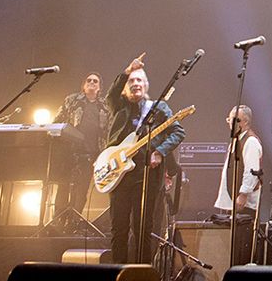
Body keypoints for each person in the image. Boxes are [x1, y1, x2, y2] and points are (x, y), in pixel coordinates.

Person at [105, 53, 186, 263]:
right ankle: (117, 275)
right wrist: (127, 71)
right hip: (119, 176)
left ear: (146, 85)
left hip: (146, 177)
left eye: (139, 80)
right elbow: (111, 94)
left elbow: (178, 132)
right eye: (131, 81)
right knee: (119, 229)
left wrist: (159, 151)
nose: (135, 83)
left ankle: (141, 274)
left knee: (143, 229)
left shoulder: (159, 109)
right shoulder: (120, 106)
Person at [54, 72, 110, 217]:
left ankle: (74, 221)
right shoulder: (71, 100)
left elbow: (108, 130)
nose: (92, 82)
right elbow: (57, 121)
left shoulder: (105, 106)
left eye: (95, 81)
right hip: (69, 152)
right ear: (83, 85)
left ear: (99, 87)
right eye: (89, 80)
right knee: (63, 186)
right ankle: (58, 221)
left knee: (82, 190)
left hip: (92, 153)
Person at [213, 105, 264, 265]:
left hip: (245, 204)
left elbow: (252, 171)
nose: (231, 123)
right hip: (234, 202)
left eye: (236, 120)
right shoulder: (237, 140)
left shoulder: (250, 141)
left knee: (241, 245)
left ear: (245, 122)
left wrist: (243, 194)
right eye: (230, 119)